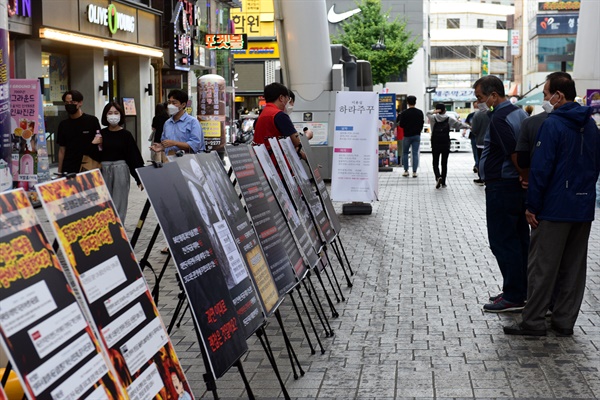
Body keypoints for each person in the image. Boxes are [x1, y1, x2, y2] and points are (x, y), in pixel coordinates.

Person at [504, 72, 600, 336]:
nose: (545, 99)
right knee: (573, 267)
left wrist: (532, 206)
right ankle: (564, 321)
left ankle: (533, 321)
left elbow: (540, 170)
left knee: (542, 267)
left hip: (554, 208)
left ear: (558, 96)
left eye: (546, 94)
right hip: (582, 208)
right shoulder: (590, 125)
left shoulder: (553, 124)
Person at [474, 75, 529, 313]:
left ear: (494, 95)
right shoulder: (519, 113)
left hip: (502, 186)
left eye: (481, 97)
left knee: (502, 241)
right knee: (518, 240)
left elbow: (514, 152)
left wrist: (523, 175)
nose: (479, 103)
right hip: (513, 187)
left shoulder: (498, 117)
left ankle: (514, 295)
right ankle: (520, 290)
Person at [90, 101, 144, 223]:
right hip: (103, 170)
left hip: (121, 169)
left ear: (121, 115)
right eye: (110, 113)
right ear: (105, 116)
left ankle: (119, 231)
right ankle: (105, 232)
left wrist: (139, 178)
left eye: (116, 113)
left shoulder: (126, 135)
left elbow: (133, 157)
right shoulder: (100, 134)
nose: (113, 115)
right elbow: (93, 155)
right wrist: (93, 144)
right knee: (103, 203)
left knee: (119, 203)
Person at [253, 82, 304, 160]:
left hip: (264, 162)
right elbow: (297, 142)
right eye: (288, 99)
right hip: (278, 164)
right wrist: (307, 135)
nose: (289, 103)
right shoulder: (279, 115)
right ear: (281, 98)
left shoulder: (263, 114)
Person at [56, 90, 101, 174]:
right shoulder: (63, 125)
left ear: (80, 103)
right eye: (67, 103)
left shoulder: (92, 121)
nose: (69, 105)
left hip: (88, 166)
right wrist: (59, 171)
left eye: (72, 102)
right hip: (68, 168)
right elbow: (62, 149)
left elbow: (99, 143)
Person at [150, 89, 204, 158]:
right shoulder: (167, 123)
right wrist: (161, 147)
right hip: (170, 162)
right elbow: (166, 142)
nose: (170, 105)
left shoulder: (192, 122)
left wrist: (174, 143)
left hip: (188, 162)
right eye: (169, 102)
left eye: (174, 103)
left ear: (183, 105)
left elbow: (195, 144)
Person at [427, 103, 470, 188]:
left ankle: (438, 177)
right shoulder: (449, 119)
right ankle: (443, 182)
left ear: (437, 110)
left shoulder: (433, 118)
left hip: (435, 142)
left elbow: (427, 113)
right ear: (444, 110)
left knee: (435, 162)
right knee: (444, 162)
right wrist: (468, 127)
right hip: (445, 142)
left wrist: (435, 111)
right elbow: (459, 125)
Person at [398, 95, 424, 177]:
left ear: (408, 103)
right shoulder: (420, 112)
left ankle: (406, 170)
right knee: (415, 153)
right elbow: (421, 124)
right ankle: (414, 172)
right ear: (415, 102)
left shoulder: (404, 113)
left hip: (407, 135)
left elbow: (401, 125)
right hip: (416, 135)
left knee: (405, 153)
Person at [471, 100, 490, 185]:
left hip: (480, 142)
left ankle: (481, 177)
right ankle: (488, 176)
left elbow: (474, 129)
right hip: (491, 141)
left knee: (480, 159)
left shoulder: (477, 115)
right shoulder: (492, 113)